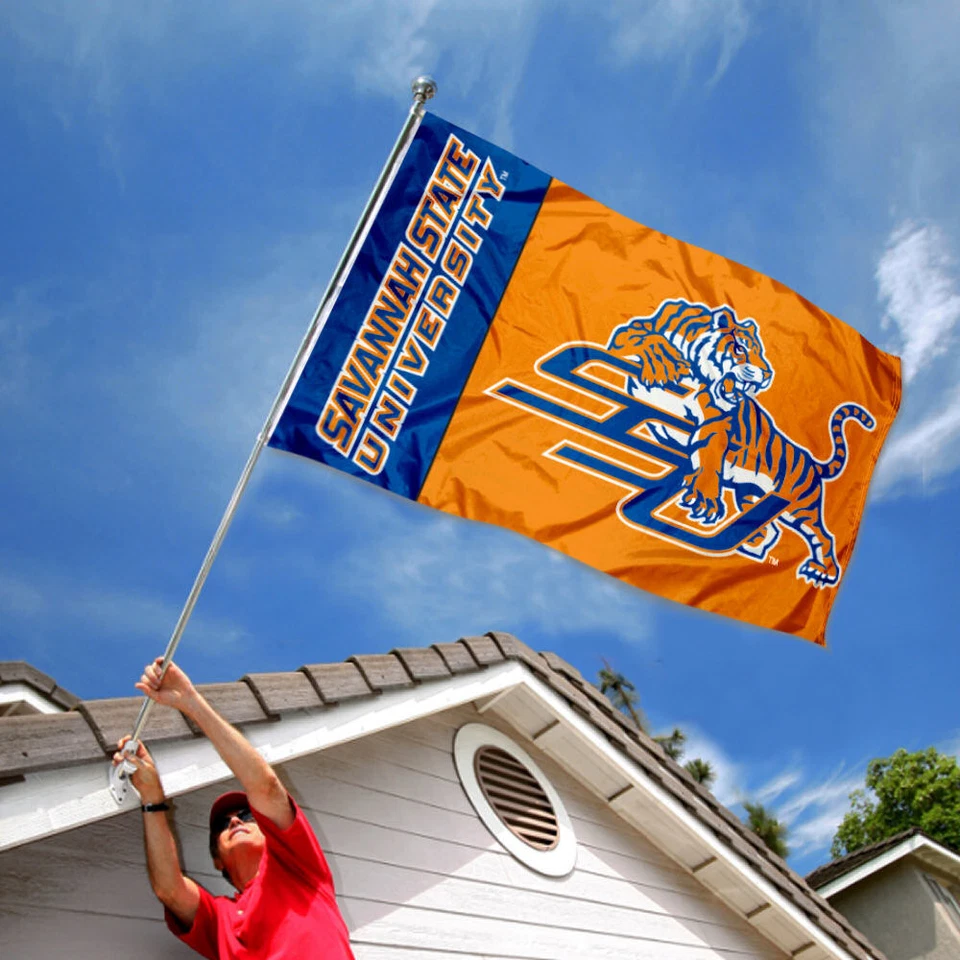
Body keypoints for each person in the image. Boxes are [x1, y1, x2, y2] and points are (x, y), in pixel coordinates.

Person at [113, 657, 355, 960]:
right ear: (217, 861)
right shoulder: (219, 918)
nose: (235, 822)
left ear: (271, 835)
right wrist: (151, 797)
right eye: (222, 825)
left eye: (246, 815)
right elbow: (169, 890)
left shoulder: (299, 868)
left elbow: (266, 787)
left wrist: (191, 701)